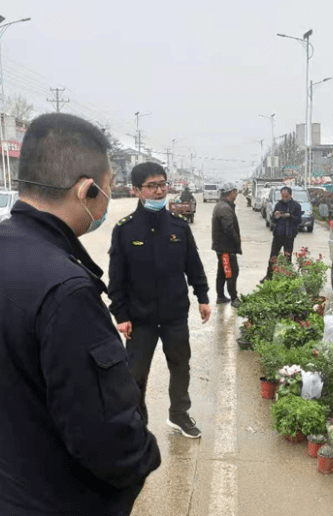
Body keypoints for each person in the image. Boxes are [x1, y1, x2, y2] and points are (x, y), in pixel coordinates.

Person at [0, 114, 160, 516]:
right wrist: (144, 455)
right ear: (87, 190)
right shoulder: (64, 288)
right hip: (60, 500)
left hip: (7, 491)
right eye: (108, 185)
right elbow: (104, 433)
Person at [108, 162, 211, 438]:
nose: (158, 191)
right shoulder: (125, 230)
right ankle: (137, 422)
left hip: (174, 315)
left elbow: (194, 264)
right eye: (151, 186)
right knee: (136, 375)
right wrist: (121, 315)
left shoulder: (178, 226)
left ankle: (178, 415)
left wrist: (203, 296)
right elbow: (116, 279)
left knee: (180, 366)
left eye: (162, 185)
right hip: (139, 319)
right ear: (137, 191)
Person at [212, 182, 242, 307]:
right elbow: (229, 229)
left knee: (222, 272)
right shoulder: (224, 208)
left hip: (221, 247)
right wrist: (236, 243)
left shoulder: (221, 205)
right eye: (236, 192)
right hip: (226, 248)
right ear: (231, 193)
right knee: (231, 272)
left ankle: (220, 296)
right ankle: (234, 298)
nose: (237, 194)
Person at [264, 186, 302, 279]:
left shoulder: (296, 206)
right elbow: (272, 220)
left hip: (289, 235)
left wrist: (290, 216)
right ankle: (269, 276)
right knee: (273, 256)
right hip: (278, 234)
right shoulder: (278, 205)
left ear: (290, 195)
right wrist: (276, 216)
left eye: (286, 196)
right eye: (283, 196)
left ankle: (287, 277)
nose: (284, 198)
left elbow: (299, 220)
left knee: (287, 257)